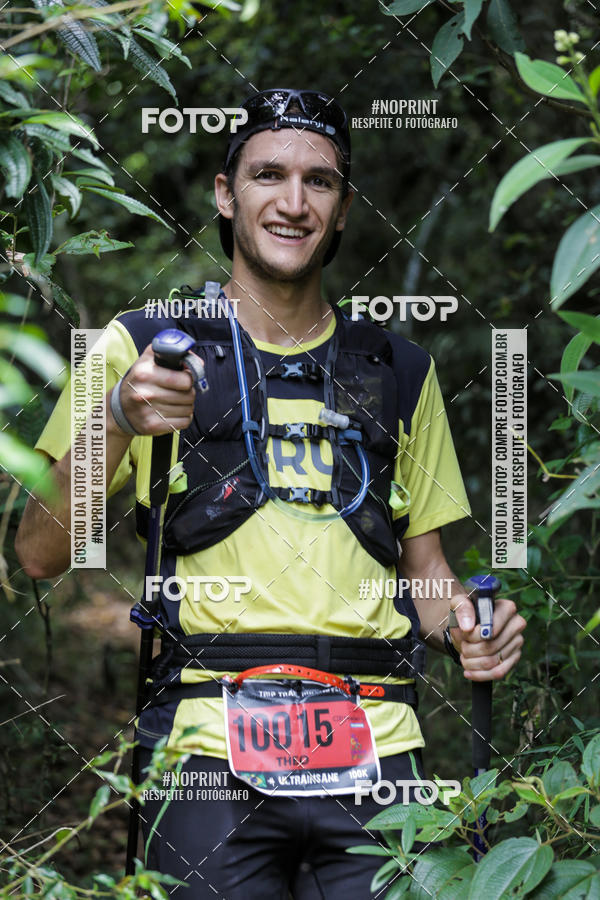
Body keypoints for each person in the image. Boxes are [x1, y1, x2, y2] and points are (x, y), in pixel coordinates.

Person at [15, 88, 527, 899]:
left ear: (344, 207)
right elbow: (39, 552)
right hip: (207, 747)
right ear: (227, 194)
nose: (294, 202)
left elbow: (426, 575)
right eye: (268, 176)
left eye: (319, 181)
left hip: (378, 747)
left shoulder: (400, 371)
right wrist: (116, 415)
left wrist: (469, 626)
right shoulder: (141, 349)